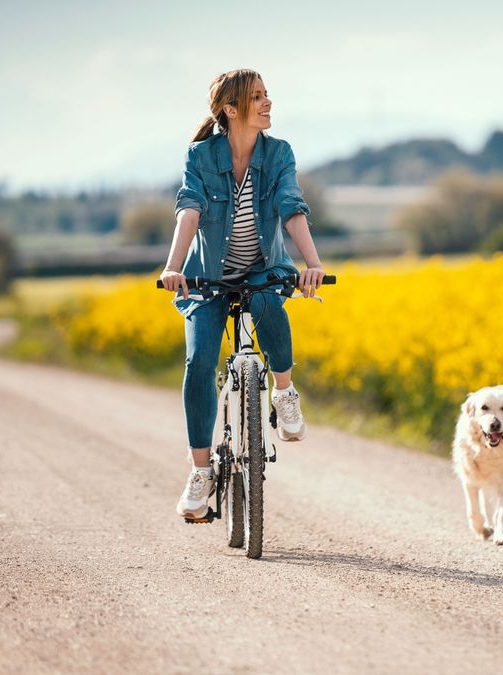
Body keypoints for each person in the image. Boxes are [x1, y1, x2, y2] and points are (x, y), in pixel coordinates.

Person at [159, 68, 326, 519]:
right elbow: (189, 210)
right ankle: (200, 472)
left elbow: (292, 208)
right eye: (257, 97)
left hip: (260, 272)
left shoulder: (279, 154)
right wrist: (174, 267)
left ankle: (284, 392)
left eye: (267, 94)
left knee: (271, 300)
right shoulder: (200, 155)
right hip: (206, 280)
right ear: (231, 110)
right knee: (199, 362)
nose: (268, 102)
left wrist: (312, 264)